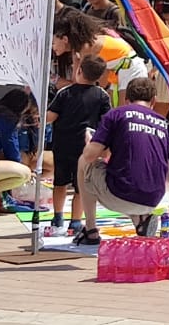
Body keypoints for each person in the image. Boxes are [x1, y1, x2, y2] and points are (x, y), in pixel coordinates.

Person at [75, 78, 169, 245]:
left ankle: (90, 229)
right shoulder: (165, 124)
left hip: (120, 194)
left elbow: (90, 155)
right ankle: (140, 218)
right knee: (129, 175)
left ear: (126, 99)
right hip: (154, 197)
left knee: (83, 162)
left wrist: (90, 141)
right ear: (153, 101)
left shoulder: (117, 114)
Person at [45, 55, 112, 232]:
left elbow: (51, 117)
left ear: (79, 71)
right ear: (98, 76)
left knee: (59, 183)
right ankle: (75, 221)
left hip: (62, 145)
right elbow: (107, 123)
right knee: (81, 187)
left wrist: (38, 116)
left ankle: (57, 217)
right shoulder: (102, 96)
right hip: (87, 148)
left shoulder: (65, 92)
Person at [52, 7, 149, 97]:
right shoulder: (80, 48)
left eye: (53, 43)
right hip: (118, 74)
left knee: (123, 112)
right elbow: (77, 82)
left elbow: (82, 83)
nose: (52, 47)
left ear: (65, 39)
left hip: (131, 71)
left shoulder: (87, 48)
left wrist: (56, 80)